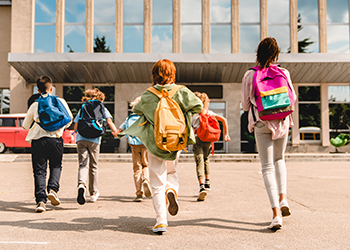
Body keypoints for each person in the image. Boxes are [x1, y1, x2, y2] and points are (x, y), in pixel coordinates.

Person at [118, 59, 203, 234]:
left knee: (157, 181)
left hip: (155, 142)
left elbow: (136, 111)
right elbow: (198, 106)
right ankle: (171, 190)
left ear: (154, 74)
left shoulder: (148, 95)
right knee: (171, 172)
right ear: (173, 74)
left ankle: (161, 220)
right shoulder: (181, 91)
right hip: (175, 141)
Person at [241, 37, 296, 230]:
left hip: (261, 122)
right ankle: (283, 198)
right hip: (281, 121)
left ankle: (275, 214)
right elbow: (293, 99)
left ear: (258, 53)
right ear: (276, 54)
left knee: (266, 167)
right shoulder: (283, 72)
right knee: (279, 160)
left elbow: (245, 105)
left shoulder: (250, 75)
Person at [23, 76, 73, 213]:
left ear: (38, 89)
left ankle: (40, 202)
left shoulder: (35, 104)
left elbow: (25, 125)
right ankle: (53, 189)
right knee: (56, 166)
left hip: (38, 140)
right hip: (56, 140)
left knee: (39, 171)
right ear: (52, 88)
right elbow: (69, 119)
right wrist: (58, 127)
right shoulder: (60, 101)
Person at [74, 88, 118, 205]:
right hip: (95, 140)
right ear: (100, 98)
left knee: (83, 164)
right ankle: (93, 193)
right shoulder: (102, 107)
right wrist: (115, 132)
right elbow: (109, 121)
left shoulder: (83, 107)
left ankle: (81, 185)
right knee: (93, 166)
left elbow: (76, 125)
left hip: (81, 138)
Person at [192, 92, 230, 201]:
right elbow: (224, 120)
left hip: (198, 140)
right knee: (206, 160)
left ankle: (201, 186)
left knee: (199, 161)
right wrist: (226, 134)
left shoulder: (194, 115)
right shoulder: (210, 113)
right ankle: (207, 182)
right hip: (208, 140)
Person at [116, 96, 152, 202]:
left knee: (137, 169)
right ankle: (146, 179)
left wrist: (117, 132)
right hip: (145, 144)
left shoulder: (129, 118)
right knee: (146, 165)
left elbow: (120, 129)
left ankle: (138, 194)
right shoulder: (146, 117)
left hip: (134, 145)